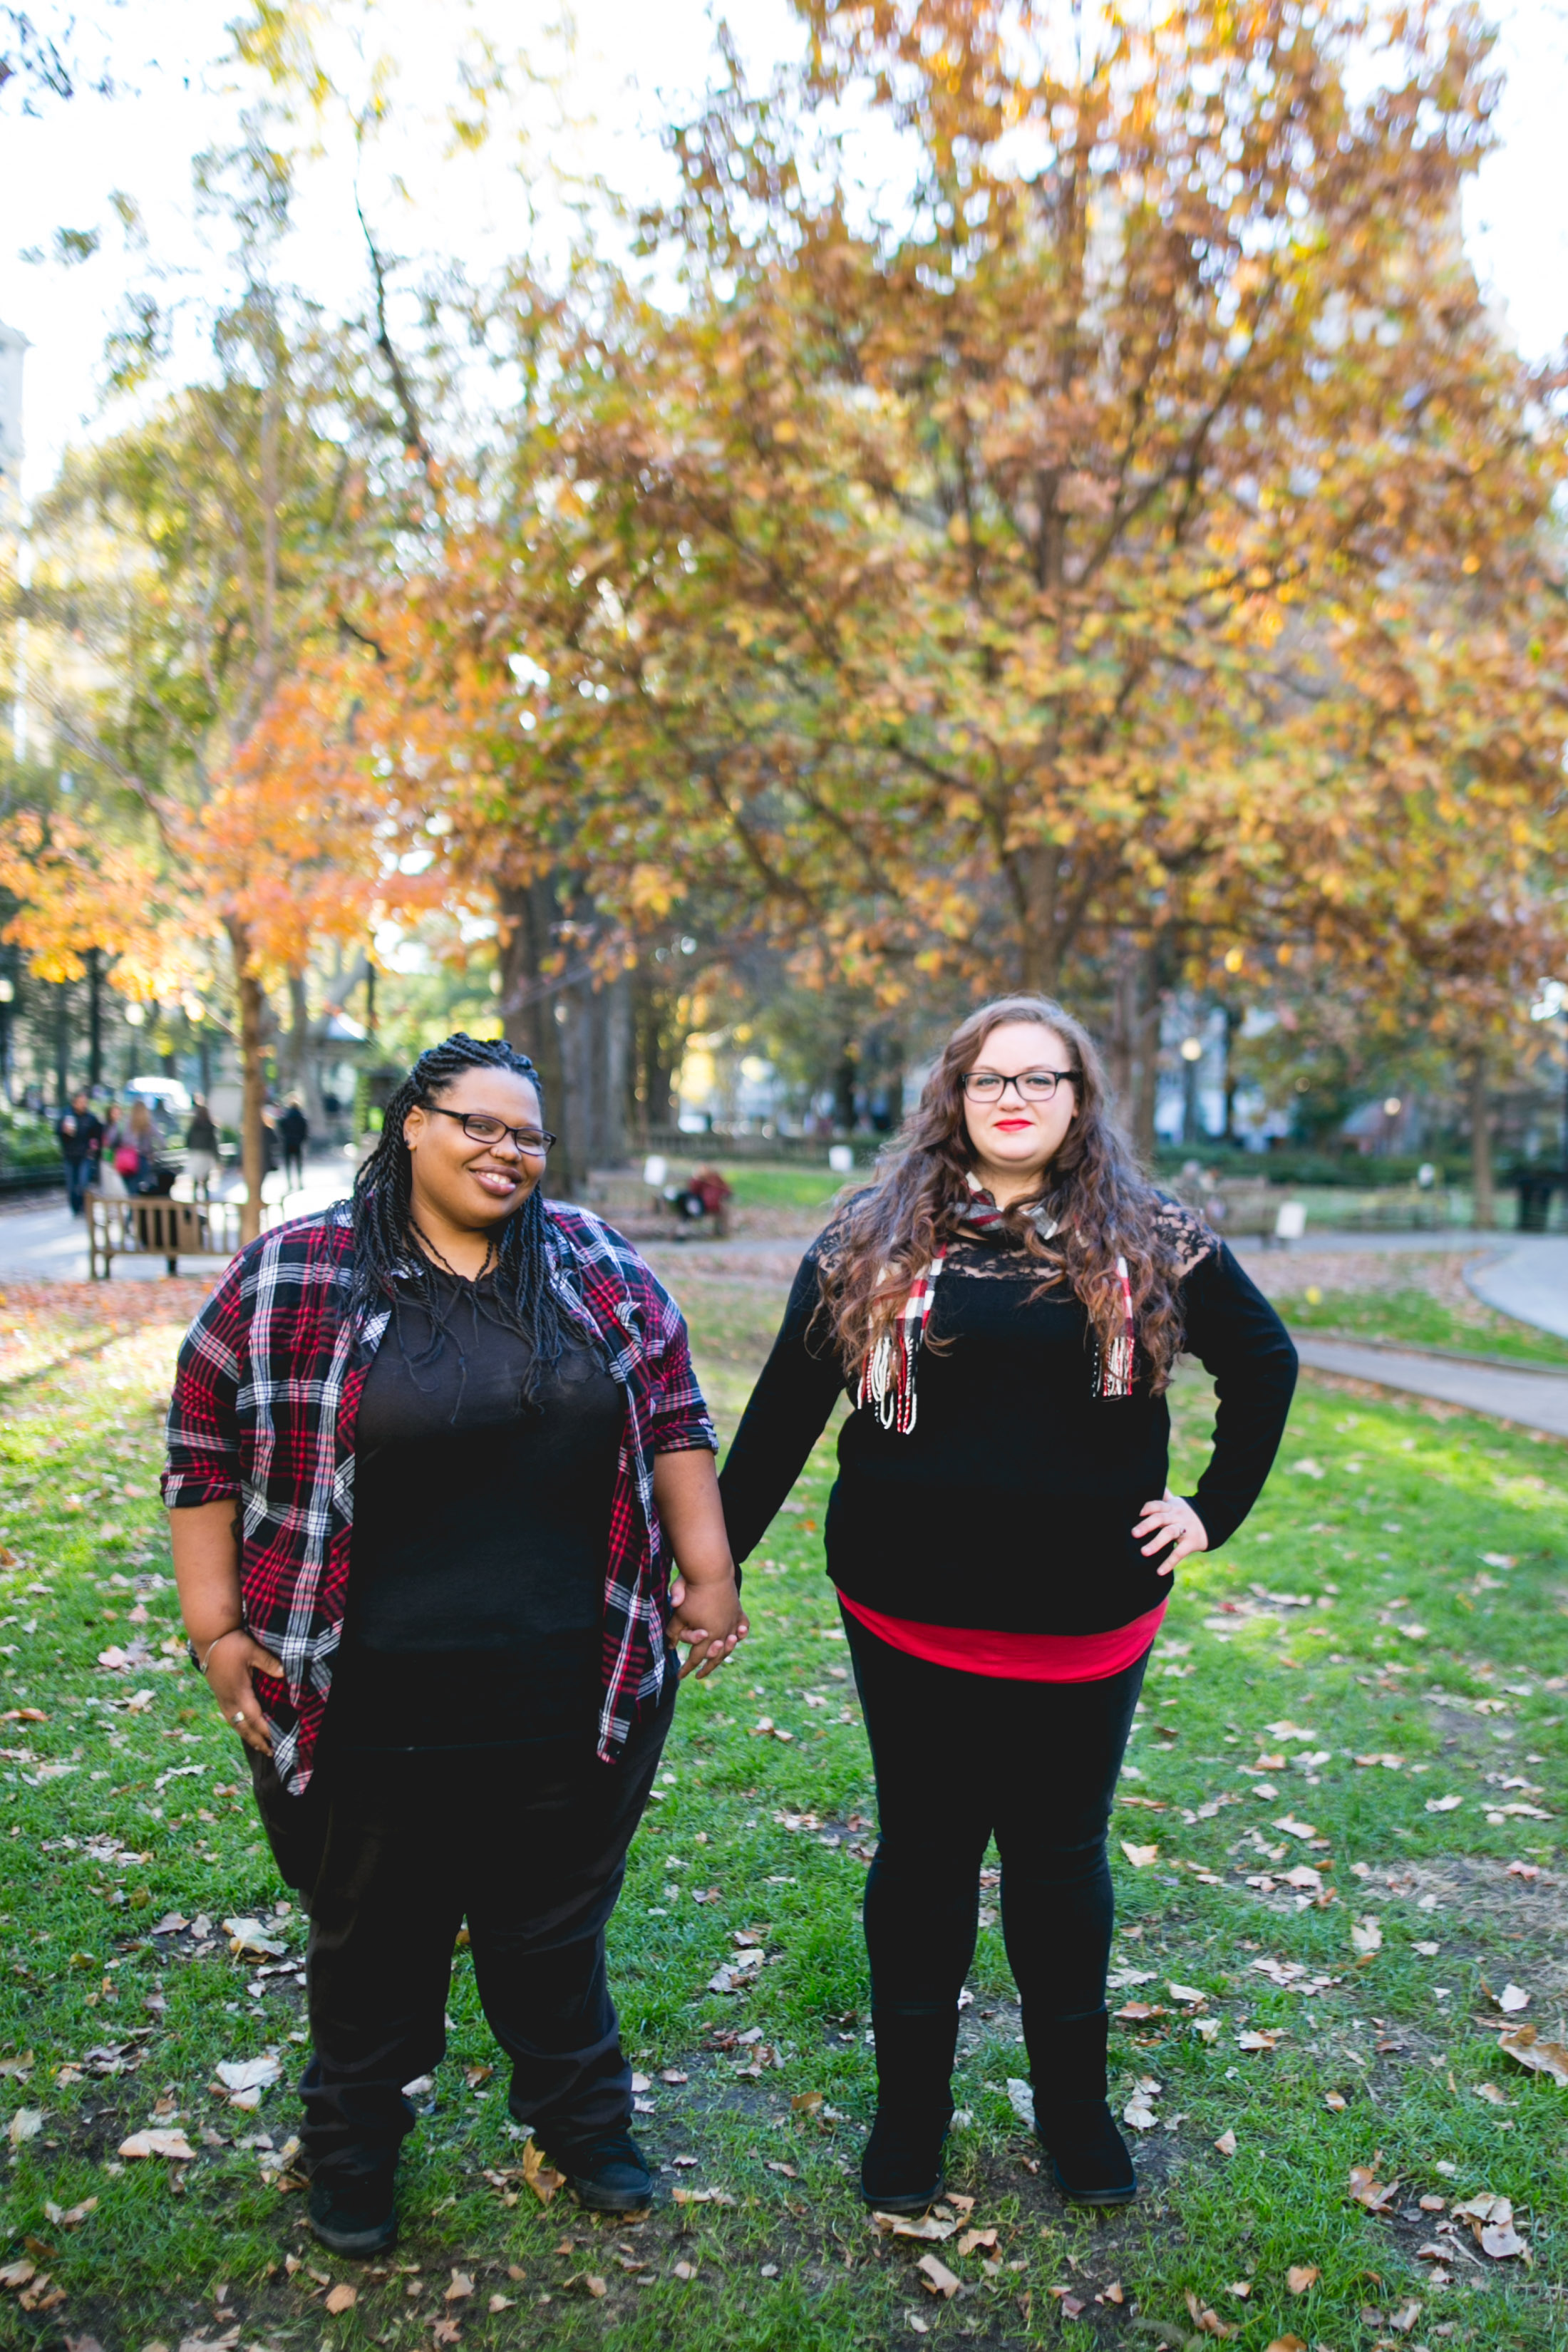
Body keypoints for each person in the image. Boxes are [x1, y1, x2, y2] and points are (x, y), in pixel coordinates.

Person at [163, 1033, 748, 2259]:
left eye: (526, 1133)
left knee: (551, 1935)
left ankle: (584, 2128)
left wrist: (709, 1573)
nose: (506, 1150)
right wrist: (216, 1626)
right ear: (412, 1125)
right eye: (477, 1124)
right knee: (373, 1944)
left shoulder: (591, 1263)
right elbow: (204, 1449)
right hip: (367, 1697)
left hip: (570, 1687)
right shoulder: (299, 1272)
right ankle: (353, 2154)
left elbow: (675, 1414)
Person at [718, 995, 1297, 2215]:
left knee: (1056, 1857)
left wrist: (1211, 1509)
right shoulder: (871, 1237)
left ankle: (1074, 2114)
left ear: (1081, 1101)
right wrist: (711, 1570)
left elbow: (1266, 1363)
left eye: (1044, 1080)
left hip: (1088, 1617)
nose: (1016, 1100)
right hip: (906, 1610)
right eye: (991, 1081)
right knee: (923, 1854)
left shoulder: (1153, 1234)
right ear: (955, 1097)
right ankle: (911, 2119)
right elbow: (781, 1416)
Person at [56, 1088, 103, 1216]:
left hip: (85, 1155)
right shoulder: (66, 1115)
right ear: (74, 1102)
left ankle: (83, 1206)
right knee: (71, 1185)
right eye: (81, 1102)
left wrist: (94, 1146)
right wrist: (63, 1131)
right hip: (69, 1156)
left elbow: (98, 1134)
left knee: (83, 1183)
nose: (83, 1104)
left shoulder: (91, 1118)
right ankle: (75, 1208)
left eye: (85, 1102)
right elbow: (58, 1133)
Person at [183, 1094, 222, 1199]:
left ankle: (196, 1197)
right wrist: (218, 1159)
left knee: (196, 1178)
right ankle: (205, 1197)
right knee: (205, 1179)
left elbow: (188, 1140)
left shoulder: (195, 1126)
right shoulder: (210, 1127)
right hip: (205, 1154)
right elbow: (214, 1143)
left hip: (196, 1154)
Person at [279, 1095, 309, 1190]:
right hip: (298, 1143)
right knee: (299, 1164)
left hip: (287, 1143)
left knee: (288, 1165)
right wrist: (302, 1140)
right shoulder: (302, 1118)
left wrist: (284, 1139)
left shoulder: (285, 1118)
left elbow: (281, 1129)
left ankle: (289, 1184)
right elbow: (305, 1132)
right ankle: (300, 1183)